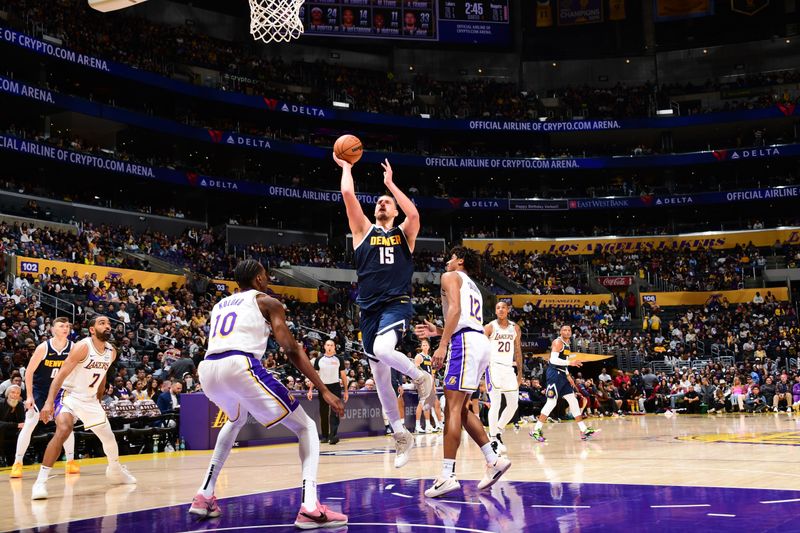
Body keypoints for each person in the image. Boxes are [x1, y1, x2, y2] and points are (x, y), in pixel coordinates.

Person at [189, 260, 347, 529]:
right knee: (306, 427)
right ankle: (310, 507)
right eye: (266, 275)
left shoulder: (219, 305)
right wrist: (323, 389)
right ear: (259, 278)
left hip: (207, 369)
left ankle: (204, 495)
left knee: (235, 420)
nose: (268, 278)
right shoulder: (267, 301)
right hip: (240, 364)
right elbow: (291, 349)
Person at [334, 152, 434, 468]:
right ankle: (400, 434)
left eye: (386, 202)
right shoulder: (363, 231)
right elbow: (348, 194)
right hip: (369, 310)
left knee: (382, 348)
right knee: (379, 377)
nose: (382, 204)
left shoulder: (404, 233)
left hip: (396, 304)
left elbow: (415, 214)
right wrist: (347, 167)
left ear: (394, 210)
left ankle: (420, 377)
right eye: (379, 201)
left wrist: (391, 185)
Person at [414, 246, 511, 498]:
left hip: (464, 343)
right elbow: (464, 317)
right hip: (478, 342)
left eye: (450, 258)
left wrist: (443, 345)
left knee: (452, 409)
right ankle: (493, 459)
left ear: (460, 260)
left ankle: (447, 475)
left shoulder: (450, 276)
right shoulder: (473, 285)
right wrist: (438, 331)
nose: (446, 262)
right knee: (463, 409)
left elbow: (456, 311)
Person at [34, 316, 137, 500]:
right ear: (91, 329)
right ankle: (40, 482)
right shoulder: (82, 346)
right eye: (102, 323)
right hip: (69, 395)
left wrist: (98, 396)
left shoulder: (111, 351)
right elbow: (60, 375)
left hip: (89, 400)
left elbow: (103, 373)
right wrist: (49, 402)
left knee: (109, 439)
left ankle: (115, 471)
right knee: (64, 429)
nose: (107, 326)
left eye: (108, 324)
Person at [10, 317, 78, 478]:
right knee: (30, 423)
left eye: (67, 326)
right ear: (53, 329)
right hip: (40, 390)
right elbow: (29, 372)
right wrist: (29, 396)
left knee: (66, 424)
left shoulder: (73, 347)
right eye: (61, 326)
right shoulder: (43, 347)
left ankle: (70, 461)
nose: (65, 328)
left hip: (60, 391)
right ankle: (17, 463)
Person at [530, 325, 596, 442]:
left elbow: (563, 362)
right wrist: (571, 363)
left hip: (562, 375)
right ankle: (536, 430)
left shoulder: (567, 343)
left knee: (573, 401)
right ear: (560, 332)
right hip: (554, 374)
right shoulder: (557, 342)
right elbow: (553, 360)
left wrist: (568, 375)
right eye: (564, 330)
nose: (567, 332)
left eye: (569, 330)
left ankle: (583, 430)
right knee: (551, 402)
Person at [484, 301, 522, 455]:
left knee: (513, 404)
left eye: (503, 307)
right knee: (496, 403)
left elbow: (518, 351)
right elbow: (481, 348)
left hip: (508, 368)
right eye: (497, 307)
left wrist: (520, 372)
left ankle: (498, 430)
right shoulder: (490, 327)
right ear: (495, 311)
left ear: (508, 310)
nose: (500, 310)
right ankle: (493, 438)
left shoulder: (515, 328)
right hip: (493, 367)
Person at [307, 339, 348, 444]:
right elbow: (314, 376)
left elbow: (343, 376)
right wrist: (310, 390)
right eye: (328, 345)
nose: (329, 347)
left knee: (335, 411)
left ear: (334, 347)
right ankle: (324, 436)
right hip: (323, 387)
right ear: (324, 346)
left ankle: (333, 436)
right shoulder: (319, 359)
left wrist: (346, 391)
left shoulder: (339, 359)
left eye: (332, 345)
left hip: (335, 387)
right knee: (323, 412)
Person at [414, 340, 443, 433]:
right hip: (422, 381)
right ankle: (418, 426)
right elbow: (416, 369)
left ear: (429, 346)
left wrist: (433, 384)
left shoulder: (430, 358)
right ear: (421, 347)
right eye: (423, 345)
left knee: (428, 403)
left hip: (429, 381)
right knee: (422, 402)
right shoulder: (419, 356)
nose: (425, 346)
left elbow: (432, 373)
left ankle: (428, 425)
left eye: (426, 344)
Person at [0, 385, 25, 466]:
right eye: (13, 392)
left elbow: (22, 422)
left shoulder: (20, 405)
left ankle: (20, 456)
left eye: (18, 393)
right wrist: (16, 425)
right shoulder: (0, 403)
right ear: (7, 394)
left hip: (14, 432)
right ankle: (1, 458)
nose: (15, 395)